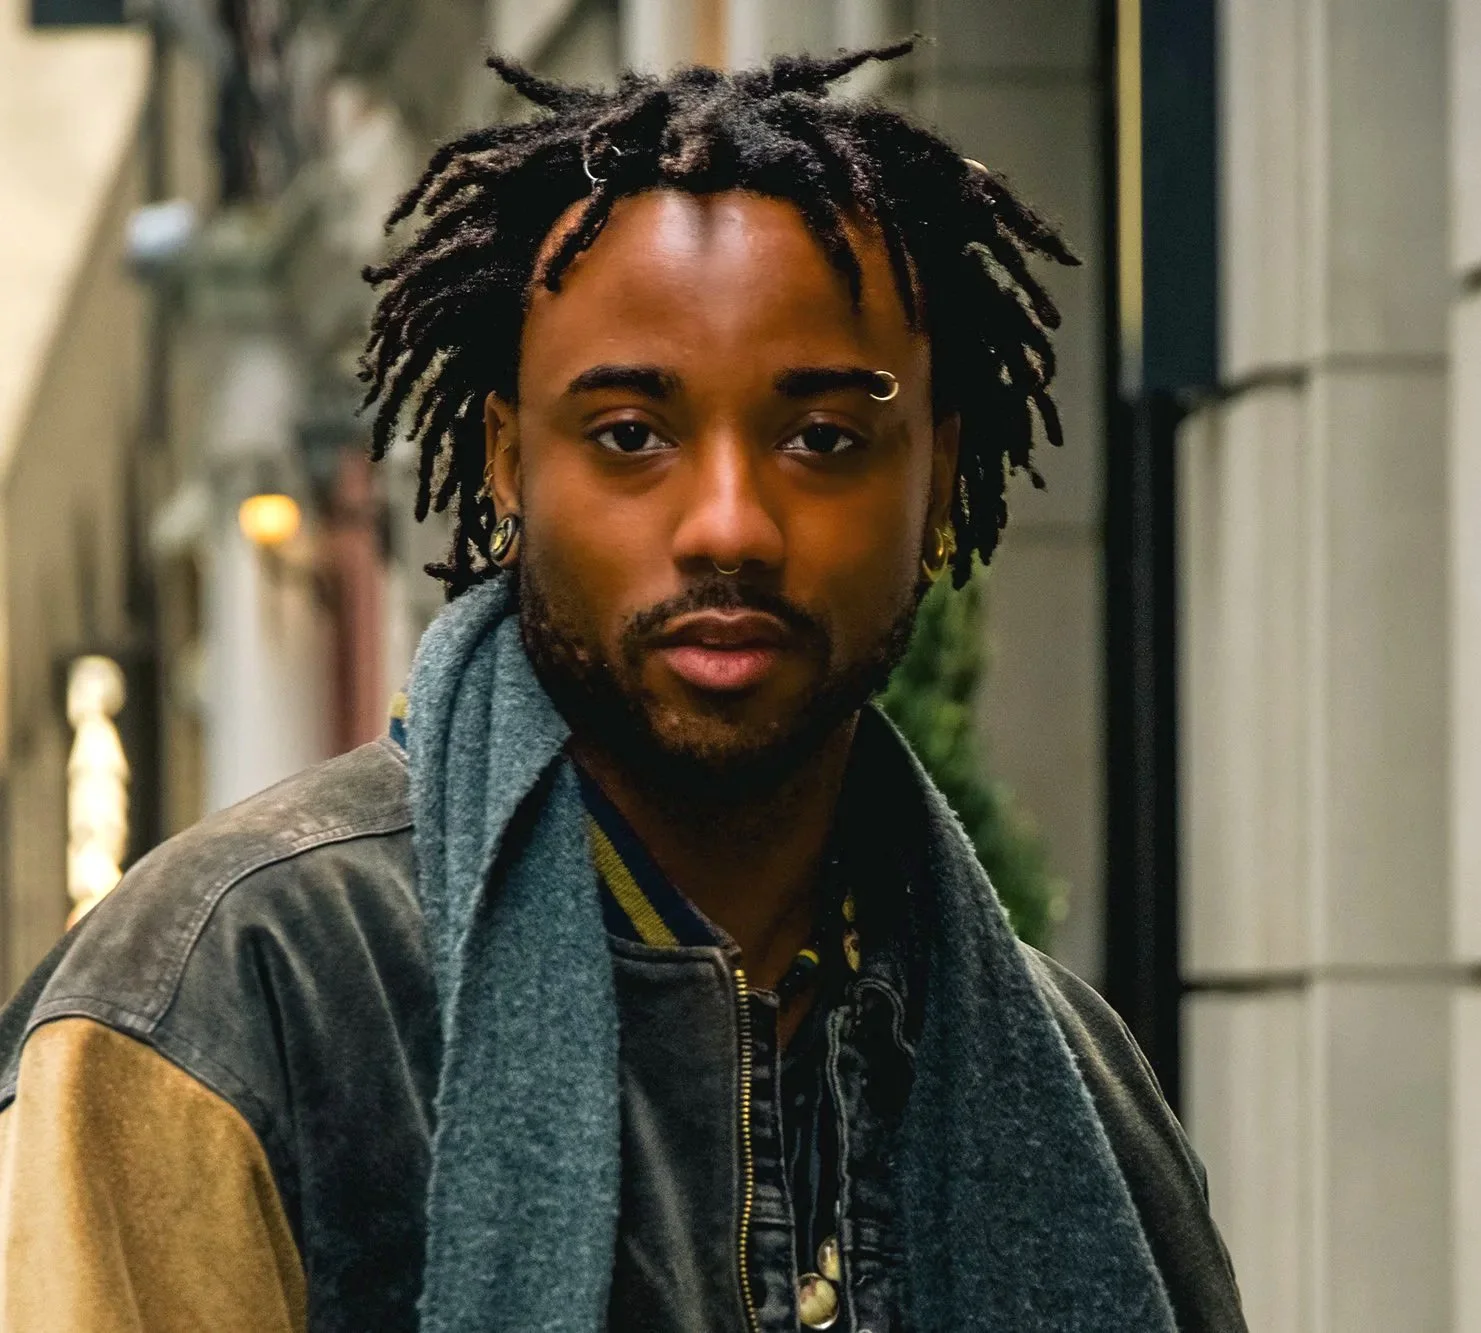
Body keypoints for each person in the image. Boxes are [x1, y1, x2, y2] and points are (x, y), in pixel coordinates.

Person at [0, 42, 1244, 1333]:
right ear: (507, 463)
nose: (730, 525)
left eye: (823, 437)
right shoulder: (237, 996)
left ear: (935, 477)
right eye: (631, 436)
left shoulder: (1078, 1098)